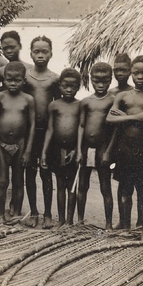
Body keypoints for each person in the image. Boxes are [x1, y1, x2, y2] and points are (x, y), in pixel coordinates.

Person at [106, 55, 143, 244]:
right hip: (125, 149)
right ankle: (125, 227)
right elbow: (110, 119)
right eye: (136, 73)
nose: (139, 76)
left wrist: (127, 116)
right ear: (131, 73)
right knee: (125, 190)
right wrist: (134, 117)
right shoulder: (123, 96)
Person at [0, 61, 35, 224]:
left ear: (24, 81)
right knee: (2, 181)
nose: (13, 83)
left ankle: (16, 212)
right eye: (9, 80)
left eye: (17, 80)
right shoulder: (0, 97)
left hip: (20, 144)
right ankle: (1, 214)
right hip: (1, 144)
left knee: (18, 181)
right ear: (4, 80)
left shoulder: (28, 99)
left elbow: (32, 126)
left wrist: (28, 150)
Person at [23, 36, 60, 228]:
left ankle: (47, 213)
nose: (40, 55)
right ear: (30, 53)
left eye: (44, 51)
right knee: (29, 172)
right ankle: (34, 212)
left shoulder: (54, 78)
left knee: (46, 172)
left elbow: (60, 106)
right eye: (36, 51)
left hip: (48, 132)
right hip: (28, 132)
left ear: (51, 54)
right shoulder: (25, 77)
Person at [76, 62, 116, 228]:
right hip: (87, 148)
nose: (100, 84)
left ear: (110, 80)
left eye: (104, 81)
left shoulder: (113, 101)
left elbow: (115, 129)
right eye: (97, 81)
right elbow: (81, 126)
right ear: (91, 80)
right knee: (82, 185)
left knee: (105, 186)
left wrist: (109, 151)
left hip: (102, 148)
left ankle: (108, 224)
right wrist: (79, 150)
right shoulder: (85, 102)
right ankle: (79, 220)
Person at [42, 67, 81, 226]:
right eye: (65, 86)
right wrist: (44, 152)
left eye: (73, 86)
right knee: (59, 185)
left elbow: (81, 129)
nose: (69, 89)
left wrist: (77, 150)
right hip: (56, 149)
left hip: (73, 150)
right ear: (60, 86)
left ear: (78, 86)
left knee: (72, 186)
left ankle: (70, 221)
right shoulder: (54, 105)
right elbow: (50, 129)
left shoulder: (80, 105)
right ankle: (61, 219)